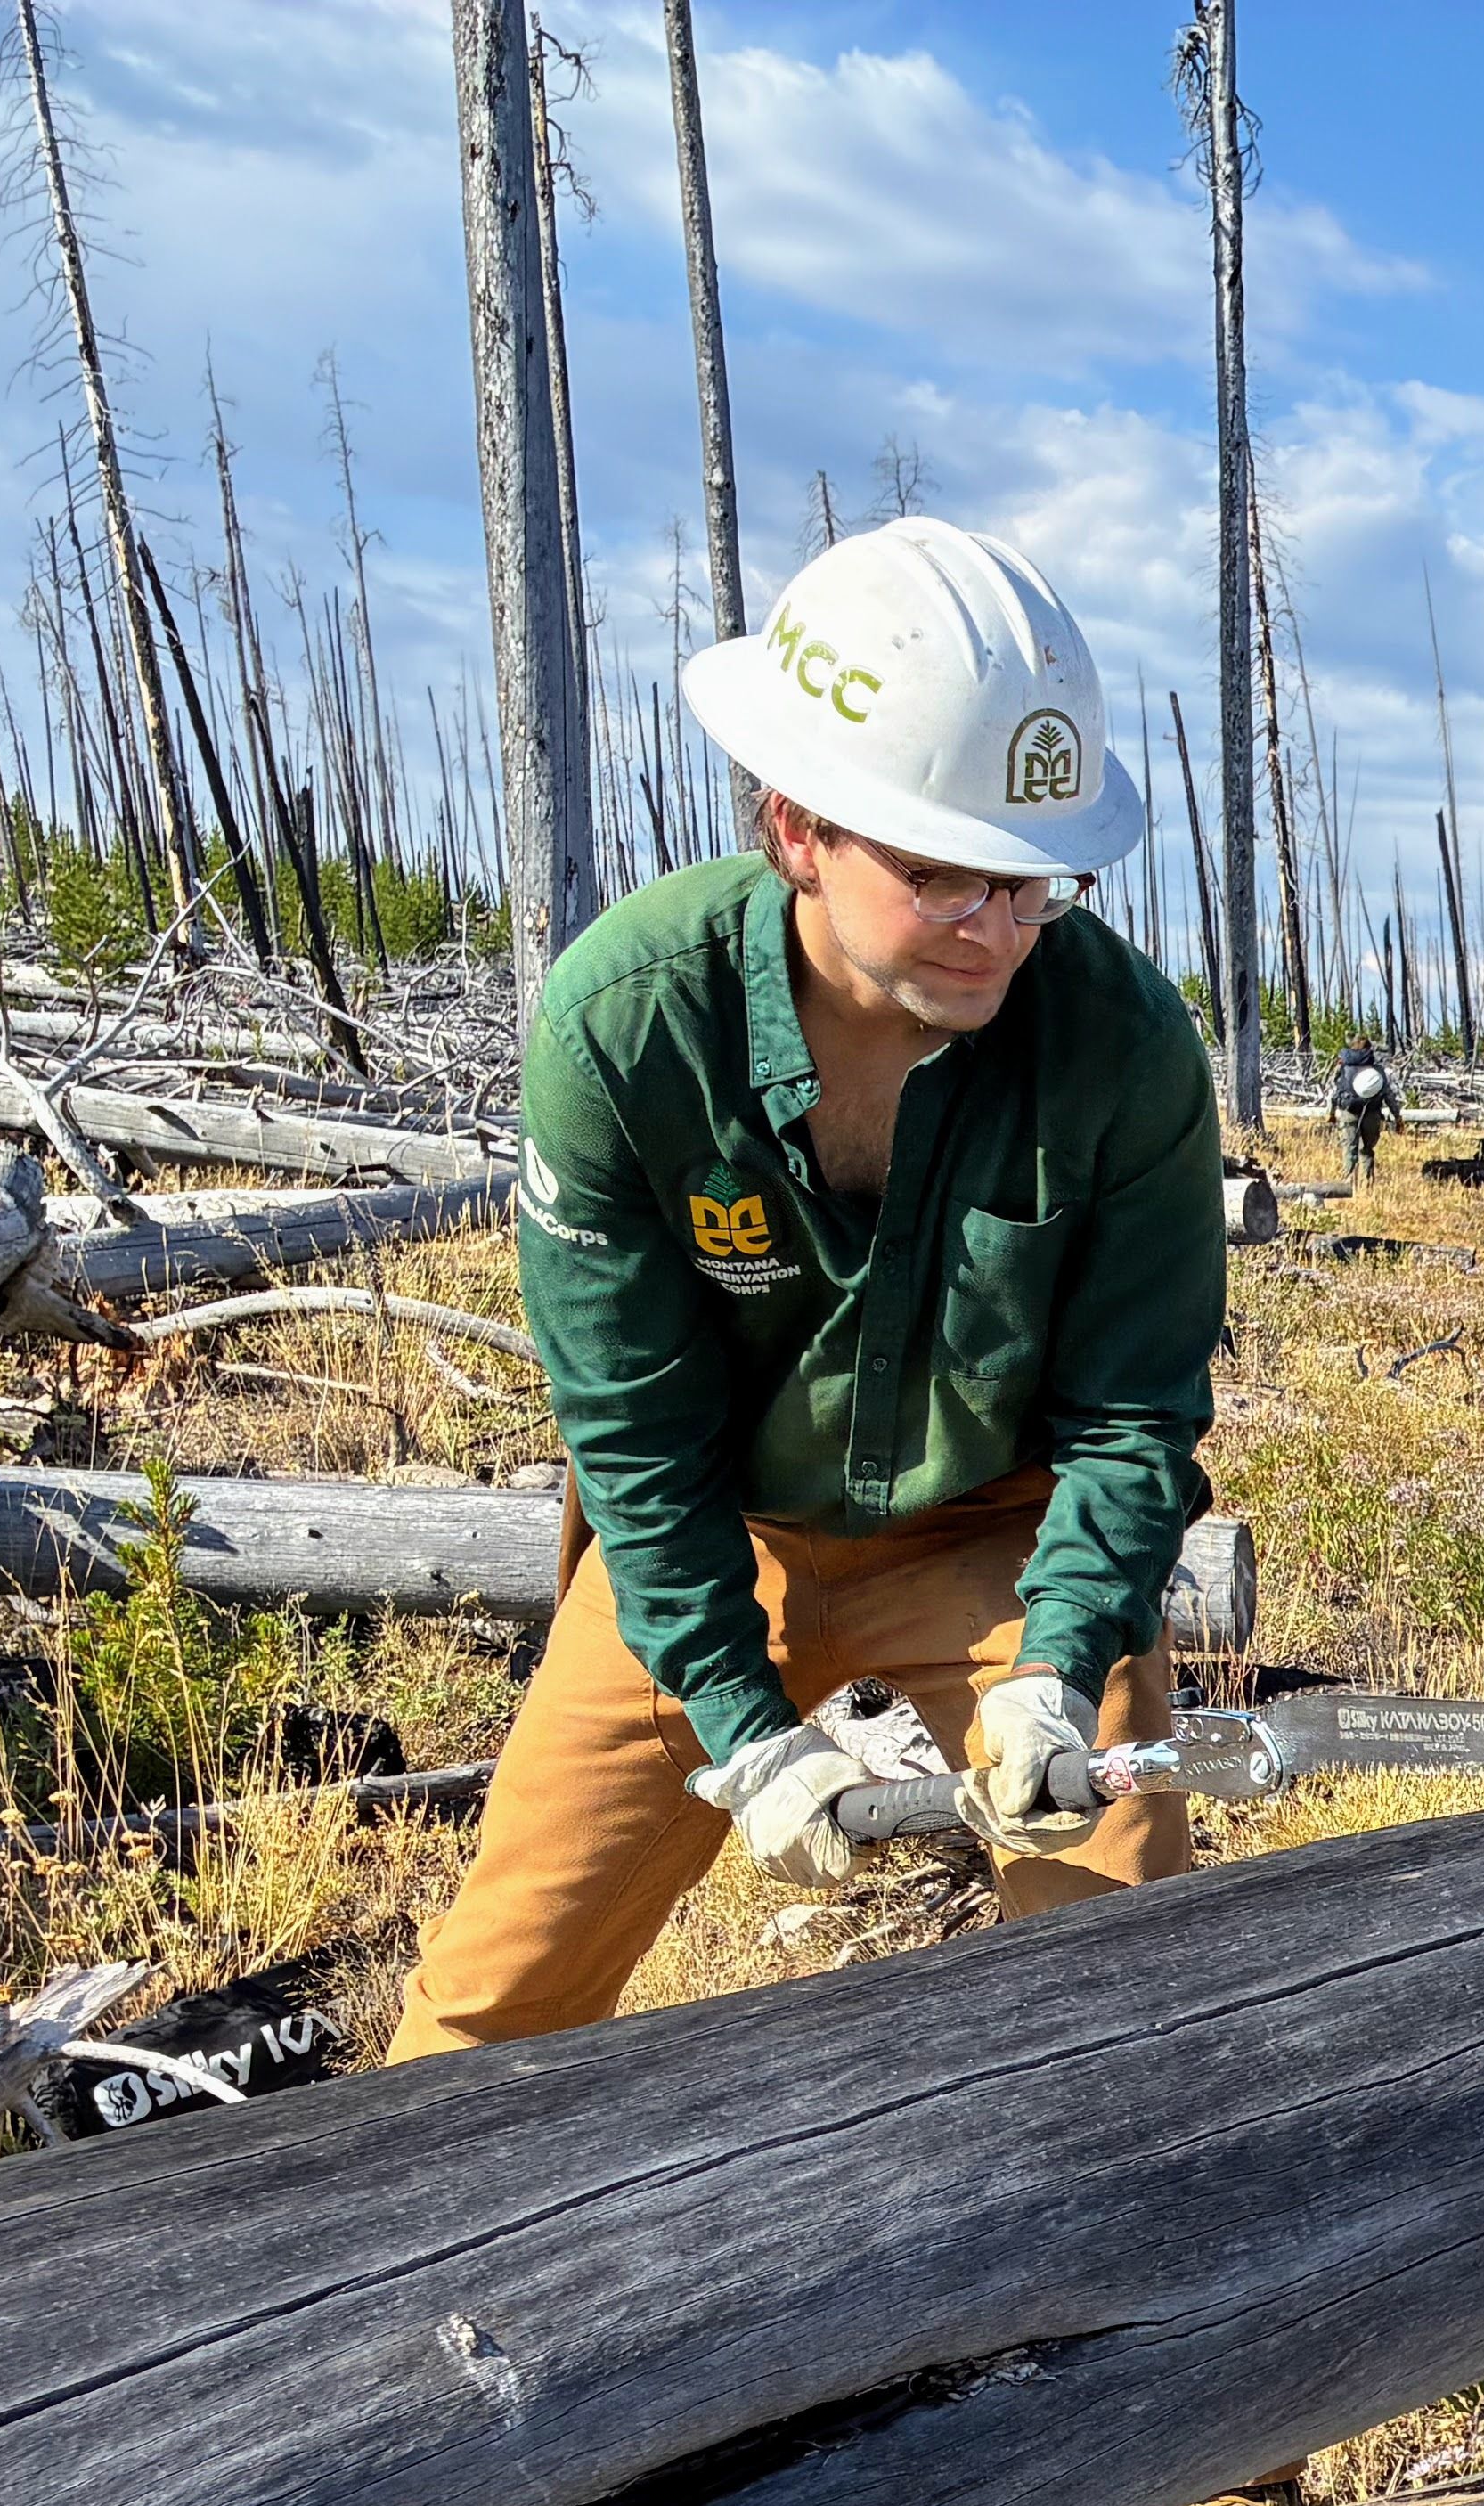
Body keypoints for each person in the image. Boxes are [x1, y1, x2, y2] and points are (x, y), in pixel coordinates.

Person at [386, 515, 1222, 2061]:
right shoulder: (627, 1028)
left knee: (1111, 1961)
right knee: (501, 1982)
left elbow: (1134, 1415)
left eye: (1036, 885)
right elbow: (632, 1439)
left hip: (993, 1533)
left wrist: (1059, 1658)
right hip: (721, 1537)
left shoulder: (1121, 1047)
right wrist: (739, 1717)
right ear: (795, 829)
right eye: (941, 879)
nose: (999, 933)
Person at [1329, 1035, 1396, 1181]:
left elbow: (1336, 1092)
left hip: (1349, 1111)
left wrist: (1332, 1113)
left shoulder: (1344, 1067)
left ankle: (1348, 1183)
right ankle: (1367, 1183)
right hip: (1371, 1112)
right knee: (1366, 1150)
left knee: (1349, 1148)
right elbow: (1388, 1094)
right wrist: (1397, 1116)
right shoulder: (1377, 1069)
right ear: (1369, 1049)